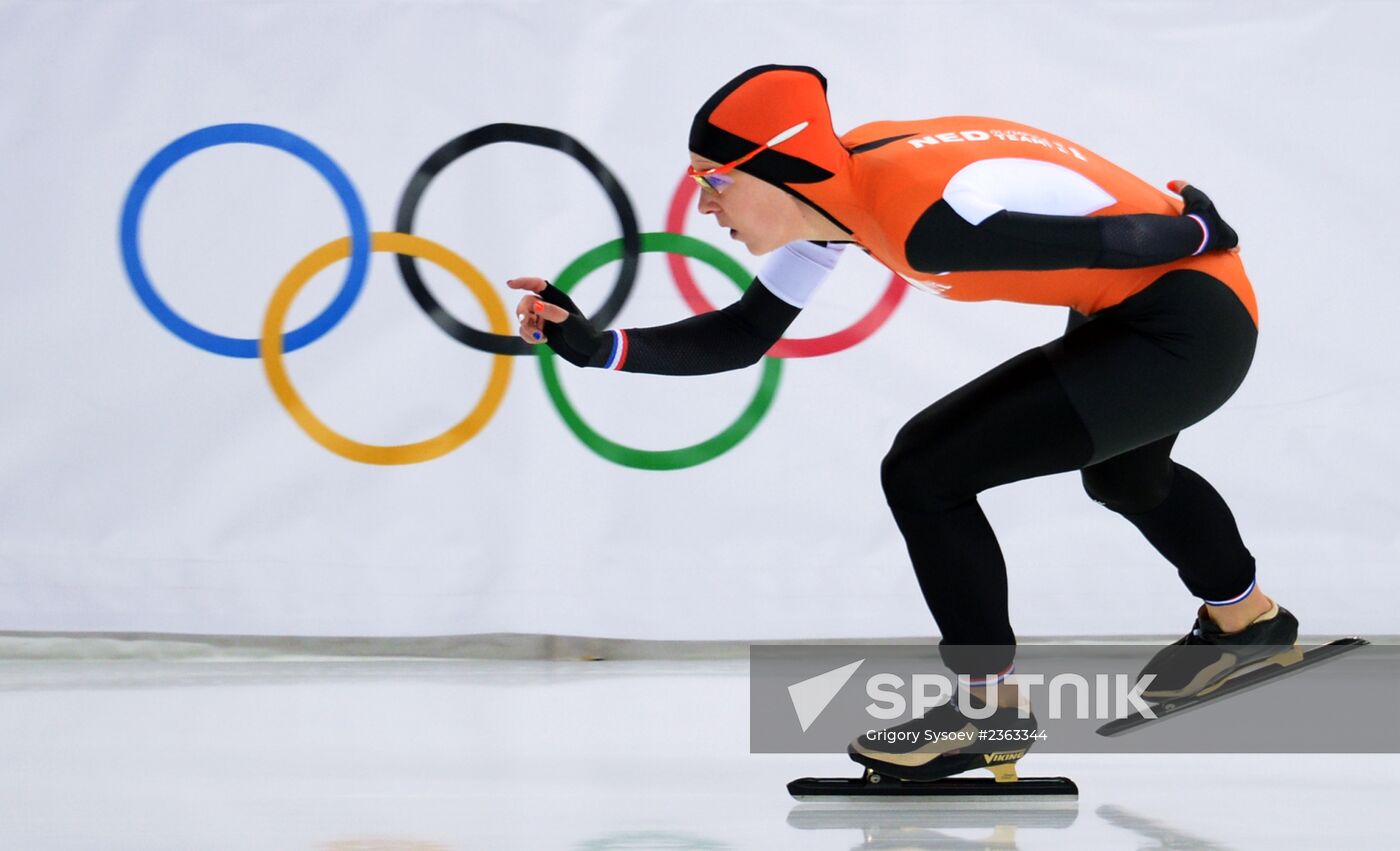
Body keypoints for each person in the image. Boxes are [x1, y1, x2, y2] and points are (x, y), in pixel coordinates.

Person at [506, 65, 1300, 782]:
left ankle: (991, 715)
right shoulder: (834, 193)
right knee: (1126, 474)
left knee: (926, 470)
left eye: (713, 180)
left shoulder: (915, 215)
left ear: (775, 169)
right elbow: (741, 335)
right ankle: (1250, 624)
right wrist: (595, 346)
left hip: (1188, 319)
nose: (702, 203)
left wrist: (1198, 226)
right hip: (1159, 305)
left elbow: (1107, 238)